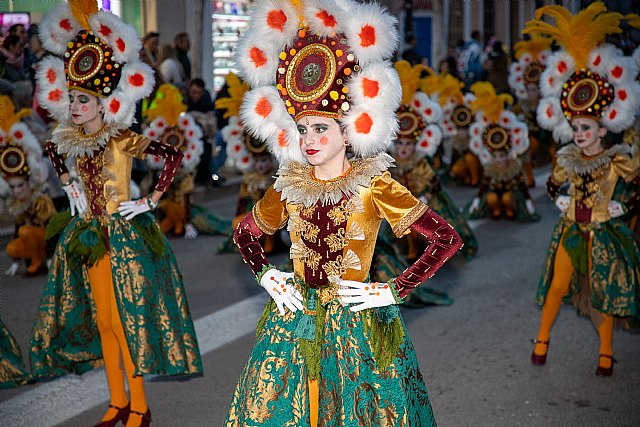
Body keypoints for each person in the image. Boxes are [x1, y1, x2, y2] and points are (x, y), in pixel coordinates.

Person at [225, 1, 462, 425]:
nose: (309, 139)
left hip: (355, 326)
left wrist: (393, 289)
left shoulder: (374, 184)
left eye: (321, 128)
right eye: (302, 128)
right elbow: (243, 233)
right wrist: (268, 274)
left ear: (348, 129)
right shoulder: (290, 185)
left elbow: (446, 239)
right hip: (295, 321)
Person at [31, 2, 202, 426]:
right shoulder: (69, 140)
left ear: (102, 102)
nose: (74, 106)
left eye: (82, 99)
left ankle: (140, 407)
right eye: (71, 98)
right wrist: (69, 184)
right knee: (104, 320)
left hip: (125, 236)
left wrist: (149, 201)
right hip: (89, 235)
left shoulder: (122, 139)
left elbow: (172, 156)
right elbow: (53, 148)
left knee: (128, 322)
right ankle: (116, 401)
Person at [526, 3, 640, 376]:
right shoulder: (568, 156)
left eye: (586, 129)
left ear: (602, 130)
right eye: (575, 128)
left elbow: (637, 184)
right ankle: (541, 341)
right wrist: (557, 194)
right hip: (571, 230)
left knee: (601, 298)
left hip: (604, 234)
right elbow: (554, 181)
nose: (579, 135)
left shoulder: (618, 158)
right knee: (557, 287)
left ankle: (606, 353)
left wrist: (626, 202)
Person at [144, 83, 229, 238]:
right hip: (167, 196)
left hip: (183, 200)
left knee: (183, 200)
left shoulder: (185, 172)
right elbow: (157, 197)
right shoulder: (162, 168)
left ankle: (183, 223)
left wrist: (188, 222)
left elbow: (187, 199)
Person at [465, 82, 538, 221]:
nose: (498, 159)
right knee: (491, 197)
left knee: (507, 198)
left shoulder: (514, 167)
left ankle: (510, 210)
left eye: (501, 156)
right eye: (495, 156)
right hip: (495, 195)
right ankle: (497, 210)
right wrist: (476, 200)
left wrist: (528, 202)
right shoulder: (490, 168)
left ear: (507, 155)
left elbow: (522, 187)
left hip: (509, 196)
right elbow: (483, 187)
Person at [0, 95, 55, 277]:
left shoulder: (41, 200)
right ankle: (29, 259)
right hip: (32, 239)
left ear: (29, 182)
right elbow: (17, 230)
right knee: (13, 247)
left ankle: (39, 262)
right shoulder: (18, 204)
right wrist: (15, 262)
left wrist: (51, 257)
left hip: (47, 242)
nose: (18, 191)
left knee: (25, 231)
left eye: (20, 185)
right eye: (13, 187)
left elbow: (52, 229)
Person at [509, 31, 554, 186]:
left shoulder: (549, 102)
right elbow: (511, 116)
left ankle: (555, 180)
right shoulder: (522, 104)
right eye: (528, 90)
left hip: (549, 136)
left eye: (534, 90)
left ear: (540, 90)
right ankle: (529, 179)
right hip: (533, 137)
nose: (530, 93)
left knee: (556, 152)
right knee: (526, 150)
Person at [421, 69, 482, 185]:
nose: (461, 133)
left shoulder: (474, 137)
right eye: (459, 129)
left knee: (470, 158)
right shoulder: (451, 138)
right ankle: (466, 178)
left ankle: (475, 178)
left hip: (476, 163)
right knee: (456, 169)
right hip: (459, 163)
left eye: (464, 129)